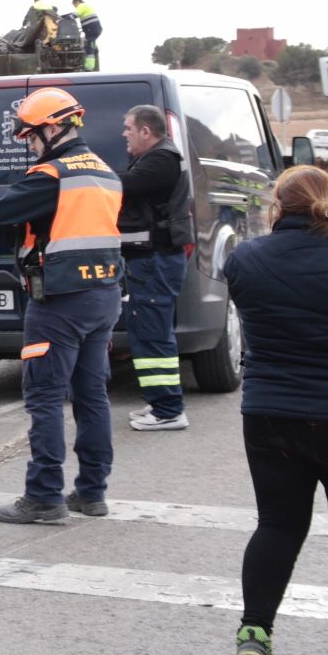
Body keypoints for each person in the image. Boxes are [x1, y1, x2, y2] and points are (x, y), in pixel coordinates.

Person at [224, 166, 328, 655]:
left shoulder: (242, 260)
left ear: (278, 206)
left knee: (277, 524)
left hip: (270, 416)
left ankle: (255, 632)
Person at [0, 88, 124, 524]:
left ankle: (44, 496)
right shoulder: (106, 172)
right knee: (92, 396)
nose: (29, 143)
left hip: (60, 300)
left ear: (53, 126)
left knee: (44, 396)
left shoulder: (51, 175)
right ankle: (92, 492)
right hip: (104, 295)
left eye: (31, 135)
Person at [117, 105, 192, 431]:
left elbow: (122, 186)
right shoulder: (156, 158)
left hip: (156, 261)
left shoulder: (160, 160)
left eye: (128, 128)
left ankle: (168, 411)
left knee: (153, 335)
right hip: (151, 261)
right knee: (148, 333)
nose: (124, 134)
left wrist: (86, 174)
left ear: (146, 131)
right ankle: (160, 404)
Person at [72, 0, 102, 68]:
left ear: (77, 2)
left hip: (91, 29)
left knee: (89, 46)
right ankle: (94, 60)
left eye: (74, 5)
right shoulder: (86, 6)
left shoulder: (81, 6)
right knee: (92, 45)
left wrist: (64, 17)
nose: (75, 7)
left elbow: (75, 15)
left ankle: (89, 67)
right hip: (95, 29)